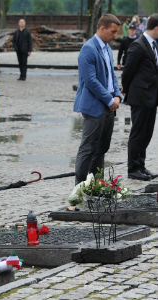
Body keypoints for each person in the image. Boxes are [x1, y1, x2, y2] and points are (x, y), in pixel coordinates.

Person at [73, 14, 122, 185]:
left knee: (101, 149)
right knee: (88, 148)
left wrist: (117, 94)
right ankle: (79, 188)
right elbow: (90, 80)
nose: (115, 35)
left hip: (109, 106)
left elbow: (111, 76)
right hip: (95, 106)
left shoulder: (107, 48)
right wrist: (109, 100)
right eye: (112, 31)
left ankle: (96, 186)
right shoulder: (89, 48)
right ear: (102, 28)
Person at [121, 14, 158, 181]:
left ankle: (141, 166)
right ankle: (133, 168)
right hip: (140, 96)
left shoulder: (153, 45)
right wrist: (126, 91)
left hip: (152, 96)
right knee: (138, 133)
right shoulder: (138, 45)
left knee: (147, 133)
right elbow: (127, 72)